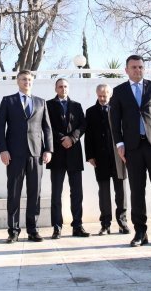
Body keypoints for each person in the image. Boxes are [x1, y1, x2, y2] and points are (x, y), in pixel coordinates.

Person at [110, 55, 151, 247]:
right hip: (132, 148)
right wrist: (119, 144)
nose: (137, 70)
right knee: (137, 191)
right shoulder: (119, 91)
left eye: (140, 67)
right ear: (126, 70)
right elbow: (115, 121)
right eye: (134, 67)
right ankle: (140, 232)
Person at [0, 69, 53, 243]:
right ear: (17, 81)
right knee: (14, 192)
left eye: (29, 79)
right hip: (14, 154)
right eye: (23, 79)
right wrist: (3, 150)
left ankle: (33, 229)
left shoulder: (40, 102)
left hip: (36, 153)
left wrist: (48, 149)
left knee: (34, 192)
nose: (26, 82)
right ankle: (13, 230)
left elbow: (47, 128)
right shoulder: (8, 101)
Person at [84, 83, 130, 235]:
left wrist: (127, 153)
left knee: (121, 193)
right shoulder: (90, 112)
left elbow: (125, 131)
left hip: (119, 157)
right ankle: (105, 224)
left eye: (105, 95)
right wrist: (90, 155)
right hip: (100, 158)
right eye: (100, 96)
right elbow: (88, 135)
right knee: (103, 193)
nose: (102, 98)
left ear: (110, 94)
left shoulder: (119, 109)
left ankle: (123, 223)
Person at [46, 78, 88, 239]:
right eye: (60, 86)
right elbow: (47, 126)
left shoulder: (76, 106)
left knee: (77, 192)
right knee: (56, 193)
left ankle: (77, 225)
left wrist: (72, 138)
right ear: (55, 89)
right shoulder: (48, 105)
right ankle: (57, 227)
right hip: (57, 153)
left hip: (74, 153)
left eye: (65, 86)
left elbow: (82, 125)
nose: (63, 89)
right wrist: (62, 138)